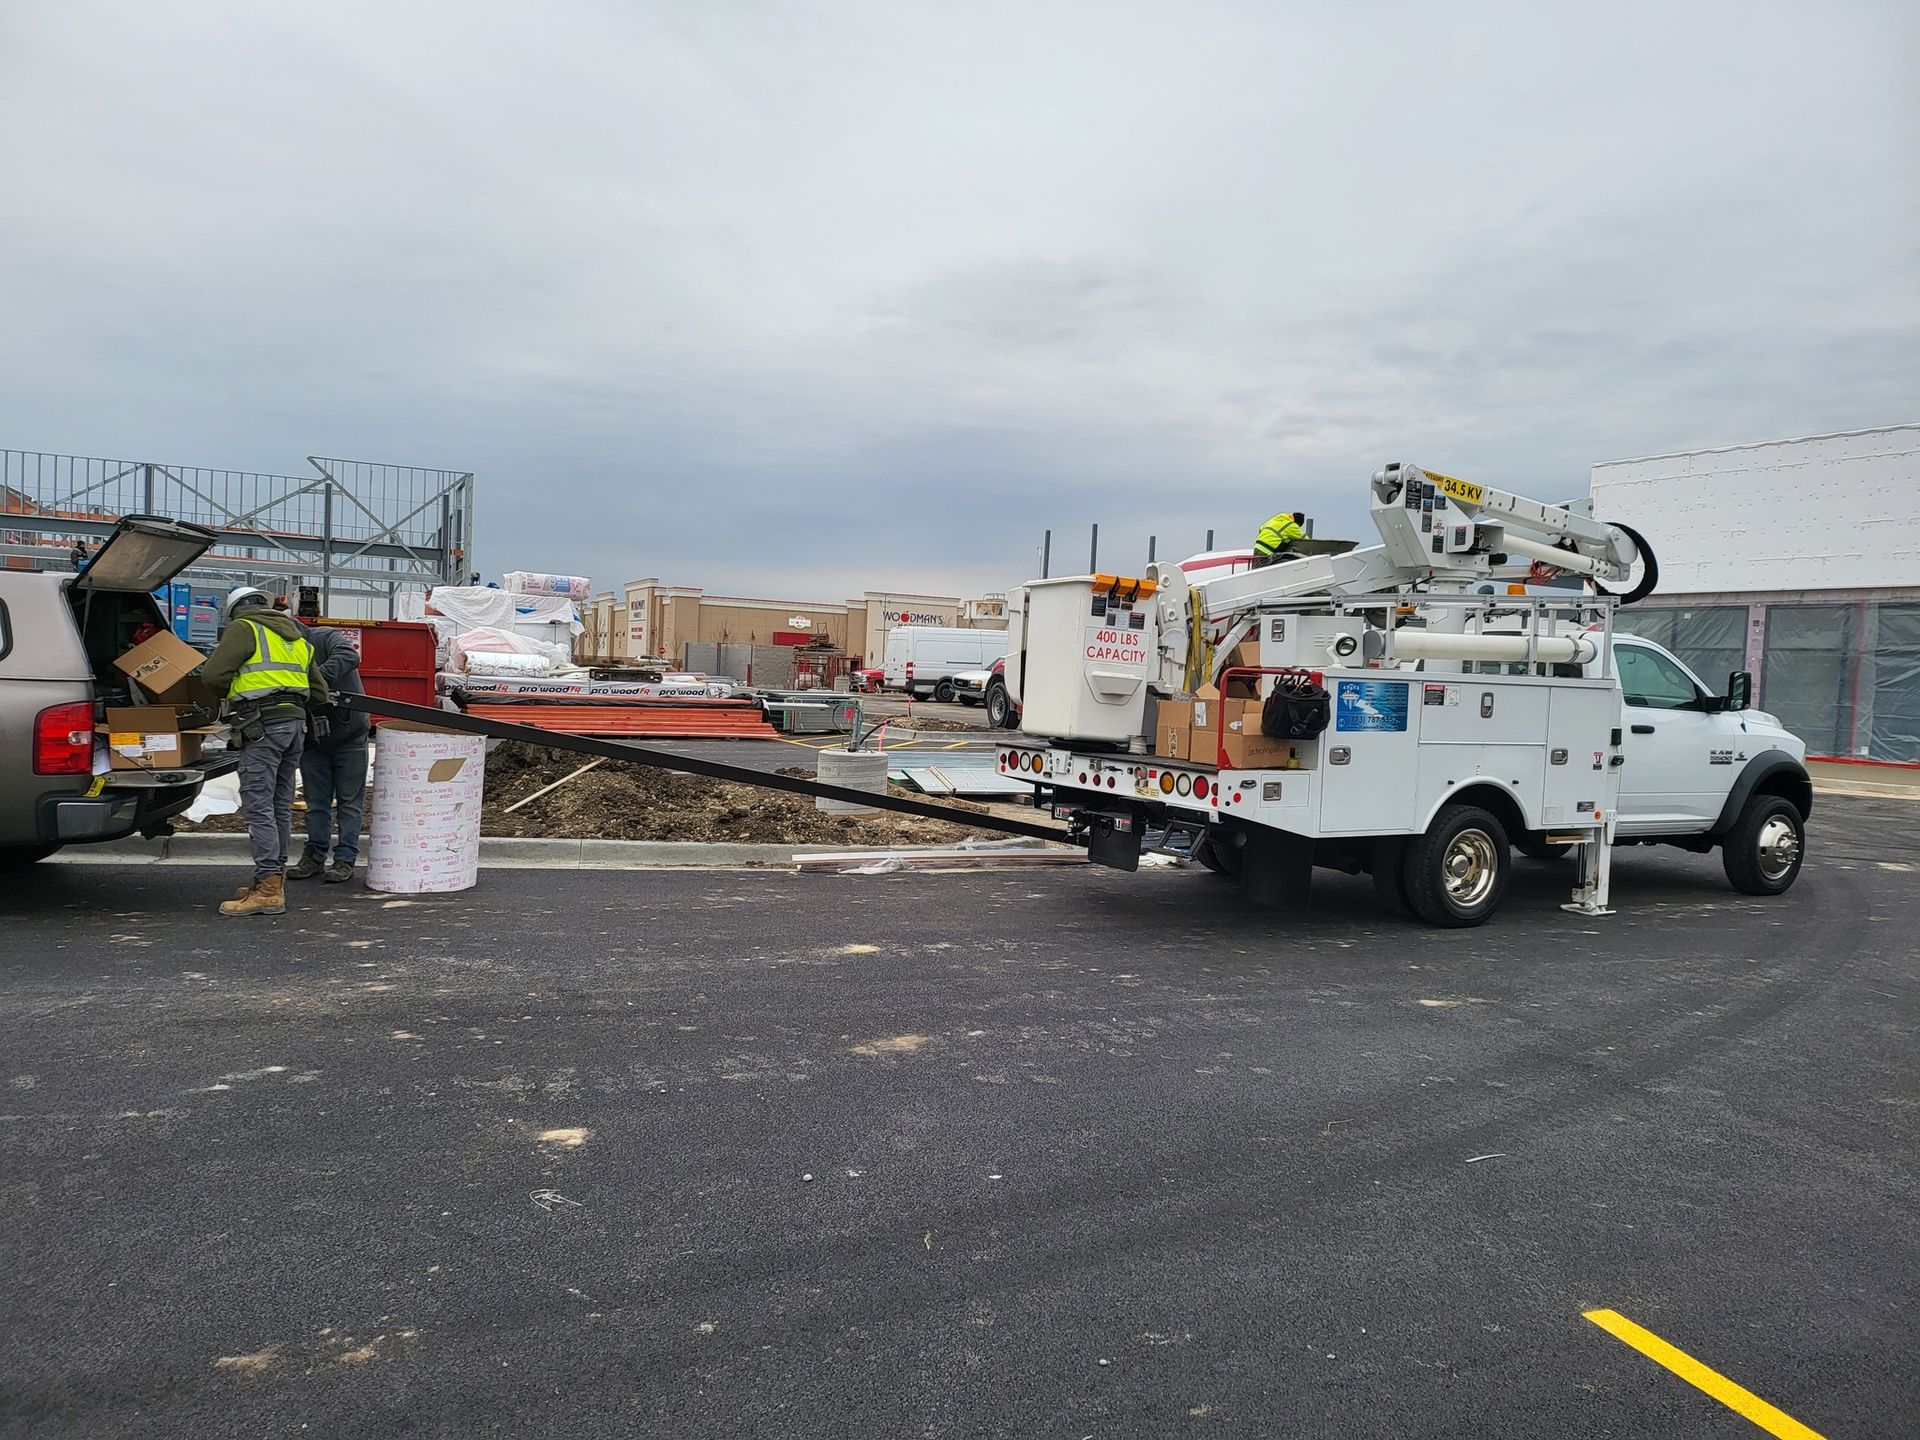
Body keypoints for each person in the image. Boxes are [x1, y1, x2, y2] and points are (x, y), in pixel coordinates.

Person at [201, 588, 328, 917]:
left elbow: (213, 676)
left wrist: (239, 695)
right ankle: (272, 880)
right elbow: (320, 691)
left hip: (262, 726)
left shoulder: (245, 628)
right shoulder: (296, 636)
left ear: (235, 611)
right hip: (295, 726)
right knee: (278, 806)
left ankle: (268, 889)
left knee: (258, 805)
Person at [288, 623, 370, 885]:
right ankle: (314, 856)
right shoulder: (283, 652)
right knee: (316, 803)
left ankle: (345, 859)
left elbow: (349, 656)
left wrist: (314, 680)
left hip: (350, 735)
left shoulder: (322, 637)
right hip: (313, 740)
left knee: (349, 802)